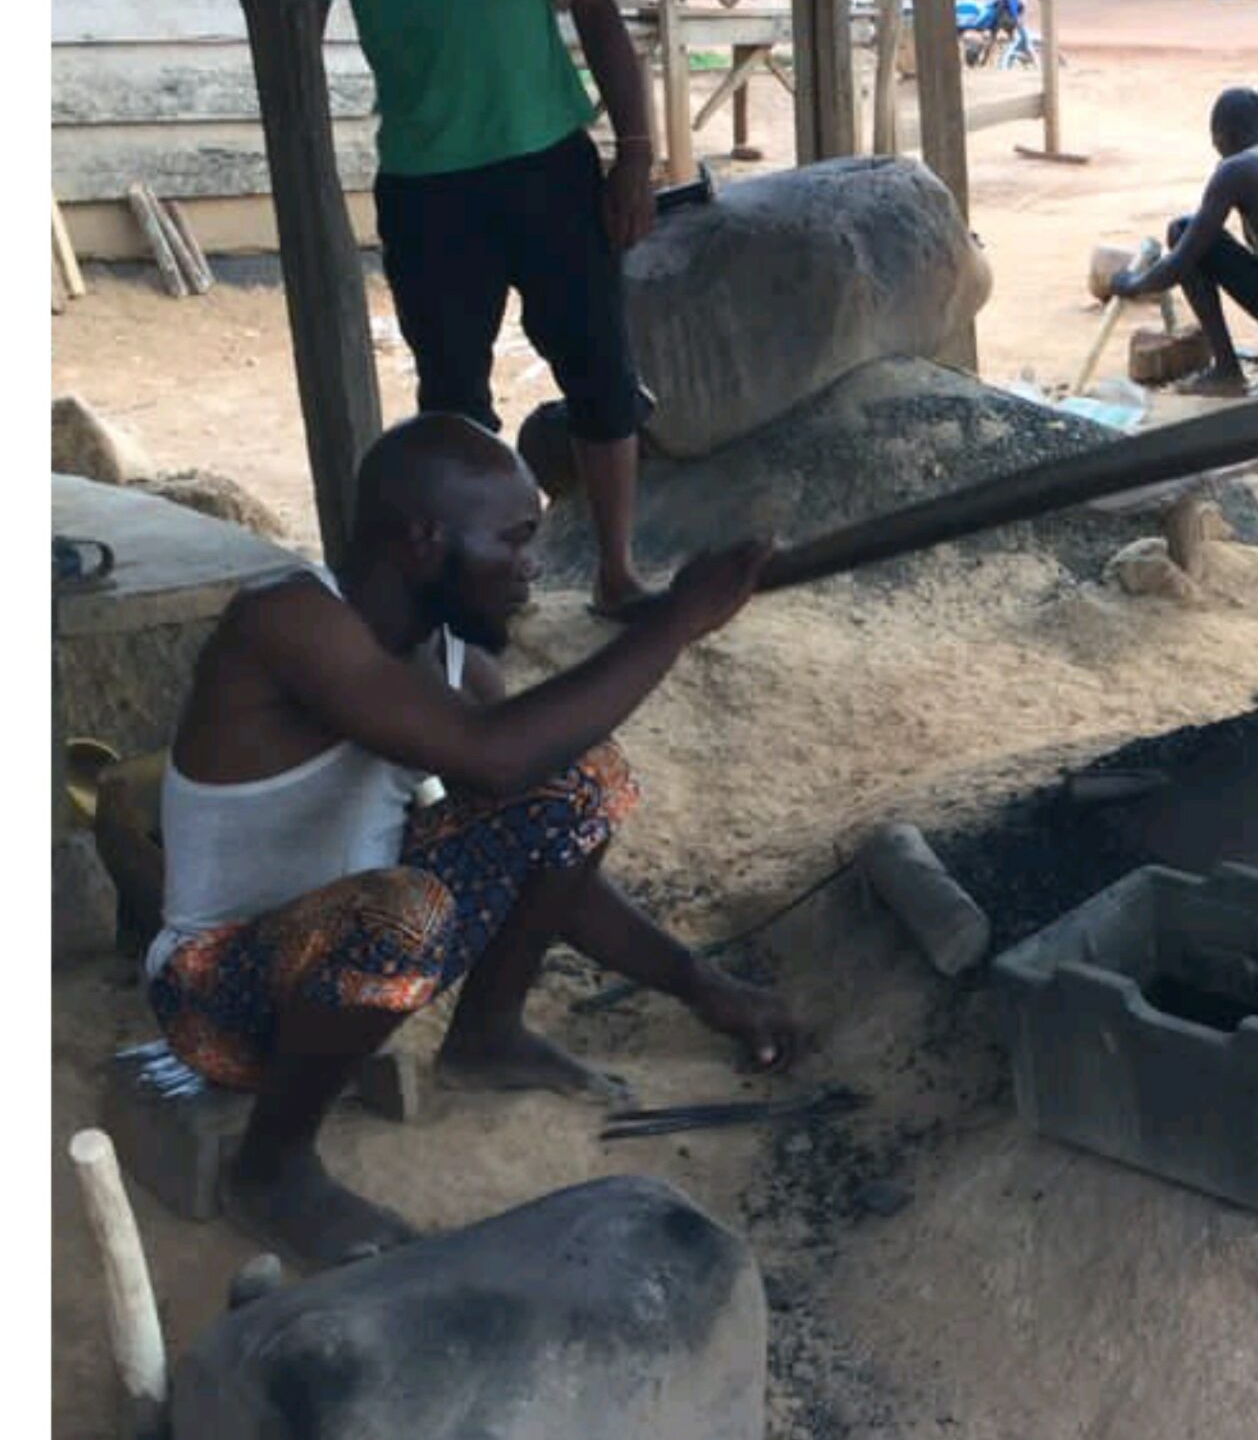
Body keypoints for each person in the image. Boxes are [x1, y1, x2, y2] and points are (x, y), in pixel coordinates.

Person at [146, 416, 803, 1266]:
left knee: (579, 781)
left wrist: (699, 982)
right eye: (515, 538)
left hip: (345, 961)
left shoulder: (449, 659)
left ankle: (487, 1035)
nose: (532, 563)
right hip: (214, 996)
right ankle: (269, 1171)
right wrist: (669, 623)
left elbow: (539, 834)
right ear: (424, 540)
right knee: (406, 907)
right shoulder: (288, 622)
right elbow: (494, 761)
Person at [200, 0, 661, 619]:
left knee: (601, 373)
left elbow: (594, 9)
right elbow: (275, 8)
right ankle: (486, 593)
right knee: (453, 403)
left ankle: (617, 571)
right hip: (426, 185)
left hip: (548, 163)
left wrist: (638, 152)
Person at [1112, 85, 1258, 385]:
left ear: (1225, 138)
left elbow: (1180, 262)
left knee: (1182, 232)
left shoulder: (1236, 170)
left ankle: (1226, 369)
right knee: (1186, 228)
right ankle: (1225, 365)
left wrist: (1132, 284)